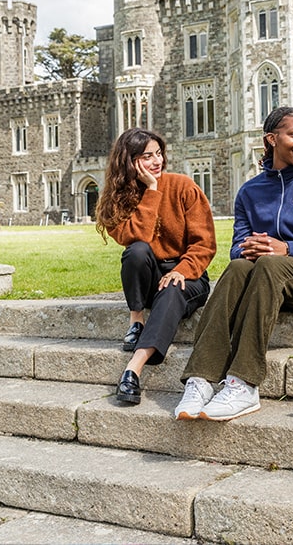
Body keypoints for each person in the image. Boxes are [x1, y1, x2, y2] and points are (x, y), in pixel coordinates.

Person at [173, 107, 293, 422]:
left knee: (268, 264)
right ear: (272, 139)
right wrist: (250, 250)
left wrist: (286, 248)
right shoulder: (250, 192)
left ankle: (243, 383)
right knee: (240, 267)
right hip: (266, 280)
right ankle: (201, 380)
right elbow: (237, 250)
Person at [95, 128, 217, 406]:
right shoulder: (119, 198)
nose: (156, 161)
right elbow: (134, 238)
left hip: (189, 274)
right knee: (136, 252)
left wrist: (180, 271)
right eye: (147, 156)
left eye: (159, 154)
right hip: (149, 276)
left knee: (173, 288)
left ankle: (133, 369)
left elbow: (205, 244)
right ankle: (136, 319)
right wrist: (151, 191)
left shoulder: (183, 186)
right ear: (129, 161)